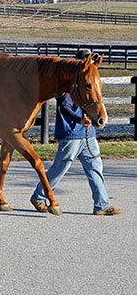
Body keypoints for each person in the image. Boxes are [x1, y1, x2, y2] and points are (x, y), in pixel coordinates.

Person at [30, 49, 122, 215]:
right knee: (60, 168)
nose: (89, 64)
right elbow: (64, 107)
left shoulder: (89, 80)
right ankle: (39, 196)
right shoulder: (69, 82)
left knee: (95, 167)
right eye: (86, 60)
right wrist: (79, 120)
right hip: (71, 133)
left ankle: (102, 204)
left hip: (88, 133)